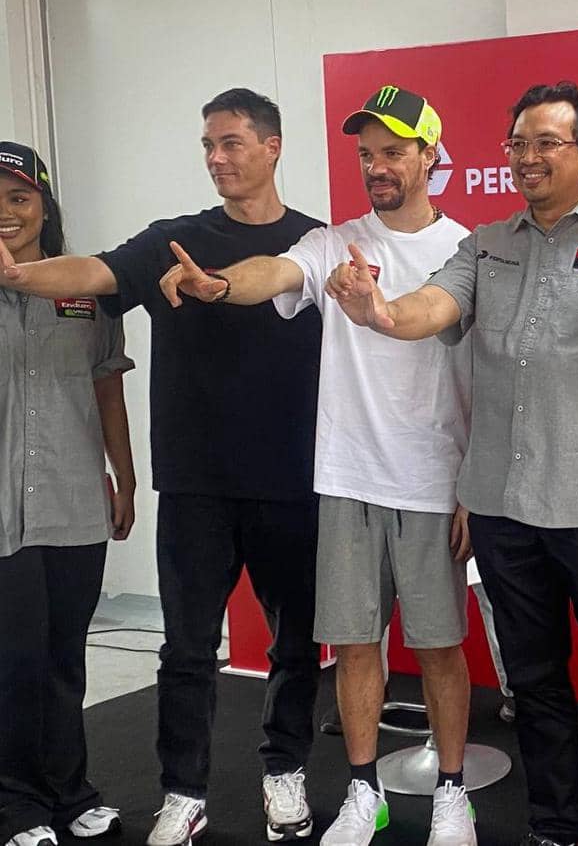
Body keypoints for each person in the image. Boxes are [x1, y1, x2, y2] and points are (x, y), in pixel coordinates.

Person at [323, 81, 578, 846]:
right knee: (535, 682)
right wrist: (381, 314)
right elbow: (434, 306)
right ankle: (554, 828)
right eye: (518, 143)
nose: (527, 157)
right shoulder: (486, 244)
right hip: (503, 506)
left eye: (547, 143)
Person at [0, 91, 325, 846]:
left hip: (293, 482)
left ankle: (285, 772)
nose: (217, 157)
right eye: (208, 144)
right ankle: (183, 792)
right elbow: (94, 271)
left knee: (297, 645)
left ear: (272, 146)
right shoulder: (172, 240)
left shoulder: (316, 243)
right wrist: (18, 277)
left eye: (232, 142)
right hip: (194, 486)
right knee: (185, 651)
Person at [158, 85, 478, 846]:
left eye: (393, 152)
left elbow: (480, 369)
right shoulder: (332, 243)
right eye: (366, 154)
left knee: (439, 650)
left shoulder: (467, 249)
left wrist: (472, 484)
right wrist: (220, 285)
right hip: (345, 481)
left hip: (432, 482)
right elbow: (273, 273)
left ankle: (452, 795)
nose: (377, 166)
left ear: (430, 156)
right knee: (357, 648)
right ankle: (364, 793)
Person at [0, 142, 135, 846]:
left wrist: (125, 475)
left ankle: (69, 791)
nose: (6, 212)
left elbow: (107, 383)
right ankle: (17, 805)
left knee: (63, 658)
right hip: (3, 511)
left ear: (44, 207)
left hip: (74, 499)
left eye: (19, 197)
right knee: (14, 662)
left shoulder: (86, 290)